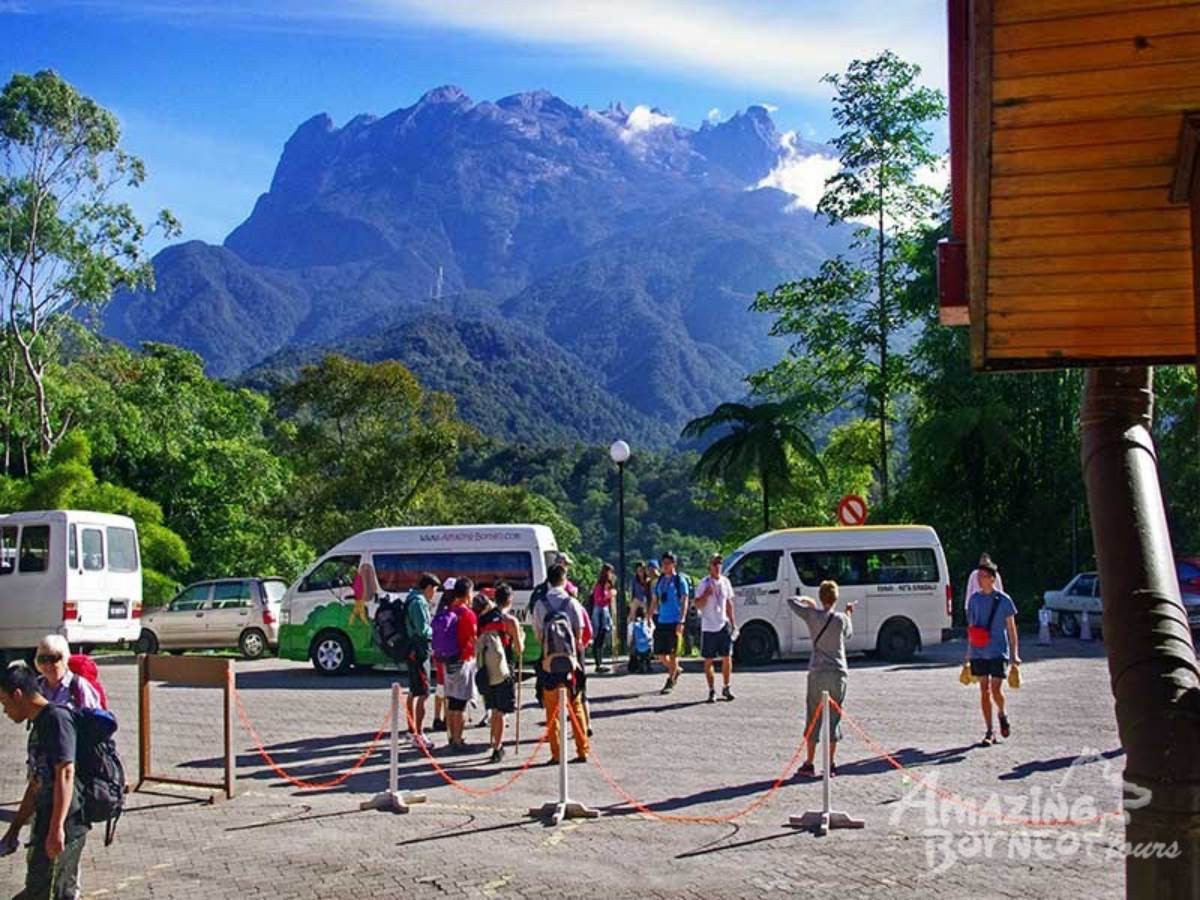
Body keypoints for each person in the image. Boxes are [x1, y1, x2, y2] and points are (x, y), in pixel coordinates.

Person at [1, 662, 89, 899]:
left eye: (4, 702)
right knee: (38, 890)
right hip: (46, 822)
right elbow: (36, 782)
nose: (4, 711)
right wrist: (14, 829)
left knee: (52, 893)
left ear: (18, 695)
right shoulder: (38, 725)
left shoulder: (57, 720)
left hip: (66, 824)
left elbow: (66, 772)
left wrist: (57, 828)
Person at [787, 581, 855, 777]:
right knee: (834, 719)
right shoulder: (841, 619)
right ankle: (830, 764)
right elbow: (848, 634)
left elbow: (791, 602)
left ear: (820, 596)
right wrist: (849, 612)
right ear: (836, 598)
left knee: (813, 716)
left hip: (817, 672)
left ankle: (809, 763)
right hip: (838, 672)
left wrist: (807, 601)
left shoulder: (812, 615)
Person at [531, 564, 589, 763]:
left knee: (552, 709)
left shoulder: (540, 604)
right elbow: (579, 633)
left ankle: (556, 754)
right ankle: (582, 750)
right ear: (564, 579)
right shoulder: (572, 603)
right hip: (570, 663)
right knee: (576, 706)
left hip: (548, 663)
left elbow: (538, 635)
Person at [965, 561, 1020, 746]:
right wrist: (968, 655)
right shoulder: (974, 600)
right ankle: (989, 731)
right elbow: (971, 628)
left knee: (996, 690)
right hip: (979, 651)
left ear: (992, 579)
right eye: (978, 577)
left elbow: (1012, 629)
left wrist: (1015, 654)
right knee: (984, 690)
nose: (979, 580)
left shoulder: (1004, 600)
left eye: (983, 577)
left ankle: (1002, 713)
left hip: (998, 650)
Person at [476, 583, 524, 762]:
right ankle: (498, 746)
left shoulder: (484, 619)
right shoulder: (510, 621)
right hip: (504, 670)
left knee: (493, 708)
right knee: (501, 712)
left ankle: (494, 742)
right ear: (510, 600)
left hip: (485, 669)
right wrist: (521, 639)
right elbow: (519, 650)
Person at [433, 578, 478, 751]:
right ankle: (458, 741)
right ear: (467, 594)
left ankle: (451, 737)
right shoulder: (467, 614)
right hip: (462, 661)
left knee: (451, 702)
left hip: (446, 661)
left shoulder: (449, 610)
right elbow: (473, 639)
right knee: (460, 704)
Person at [404, 573, 439, 750]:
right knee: (423, 692)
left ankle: (412, 730)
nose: (434, 593)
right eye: (434, 589)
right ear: (428, 587)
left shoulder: (412, 597)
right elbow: (422, 629)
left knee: (413, 690)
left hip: (413, 649)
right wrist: (436, 633)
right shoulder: (418, 602)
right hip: (419, 649)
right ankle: (418, 733)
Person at [695, 553, 737, 703]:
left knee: (727, 657)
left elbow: (729, 603)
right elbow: (697, 604)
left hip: (723, 624)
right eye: (715, 564)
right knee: (709, 660)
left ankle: (726, 687)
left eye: (720, 563)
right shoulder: (704, 583)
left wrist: (733, 622)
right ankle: (711, 690)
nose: (718, 566)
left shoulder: (725, 582)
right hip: (708, 626)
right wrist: (706, 594)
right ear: (709, 566)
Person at [650, 552, 690, 694]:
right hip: (662, 620)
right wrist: (649, 617)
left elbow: (685, 601)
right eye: (663, 563)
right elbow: (655, 600)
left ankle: (670, 680)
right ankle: (675, 670)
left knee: (673, 654)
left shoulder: (680, 580)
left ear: (674, 564)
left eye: (668, 563)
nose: (665, 566)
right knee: (660, 654)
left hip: (675, 621)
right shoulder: (660, 581)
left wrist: (682, 620)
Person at [34, 635, 102, 711]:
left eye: (53, 658)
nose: (48, 664)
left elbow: (93, 719)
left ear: (64, 658)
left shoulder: (78, 685)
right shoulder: (36, 686)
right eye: (42, 659)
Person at [588, 564, 616, 673]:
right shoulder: (599, 586)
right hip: (599, 612)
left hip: (605, 612)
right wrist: (608, 595)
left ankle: (600, 662)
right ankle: (598, 663)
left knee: (602, 637)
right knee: (598, 637)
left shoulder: (608, 585)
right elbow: (598, 600)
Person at [963, 553, 1004, 621]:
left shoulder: (995, 576)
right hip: (976, 611)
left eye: (986, 565)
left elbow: (1000, 593)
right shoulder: (973, 575)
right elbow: (968, 594)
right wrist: (967, 610)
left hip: (991, 610)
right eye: (982, 565)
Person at [627, 562, 652, 650]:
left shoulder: (648, 580)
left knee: (647, 619)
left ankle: (647, 638)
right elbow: (633, 592)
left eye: (641, 570)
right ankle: (630, 637)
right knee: (631, 616)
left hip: (645, 601)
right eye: (638, 570)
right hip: (637, 600)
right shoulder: (634, 580)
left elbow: (649, 595)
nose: (640, 572)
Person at [628, 609, 653, 673]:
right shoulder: (648, 622)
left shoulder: (632, 624)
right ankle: (648, 665)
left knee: (633, 644)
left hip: (637, 649)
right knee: (649, 643)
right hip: (648, 648)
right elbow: (652, 634)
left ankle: (638, 665)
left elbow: (630, 638)